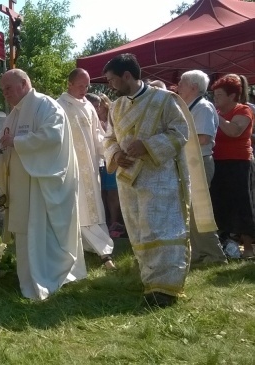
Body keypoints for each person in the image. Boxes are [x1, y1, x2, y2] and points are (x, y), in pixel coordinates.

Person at [102, 53, 214, 307]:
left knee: (162, 230)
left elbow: (180, 132)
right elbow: (108, 139)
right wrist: (116, 154)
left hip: (159, 178)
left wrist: (148, 146)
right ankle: (149, 279)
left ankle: (166, 289)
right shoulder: (116, 107)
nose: (110, 85)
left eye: (112, 80)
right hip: (128, 179)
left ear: (127, 76)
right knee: (139, 231)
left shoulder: (165, 100)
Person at [0, 69, 86, 300]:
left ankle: (50, 274)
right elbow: (1, 142)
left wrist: (17, 142)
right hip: (21, 185)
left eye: (8, 88)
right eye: (2, 89)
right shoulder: (14, 114)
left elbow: (53, 138)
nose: (4, 93)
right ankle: (27, 276)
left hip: (41, 184)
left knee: (41, 229)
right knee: (25, 231)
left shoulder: (47, 106)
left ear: (24, 84)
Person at [57, 68, 115, 270]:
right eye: (80, 85)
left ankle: (96, 248)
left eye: (87, 85)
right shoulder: (59, 107)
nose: (85, 89)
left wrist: (111, 151)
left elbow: (98, 136)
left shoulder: (89, 106)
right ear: (69, 84)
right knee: (79, 208)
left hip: (89, 168)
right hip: (70, 169)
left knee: (93, 207)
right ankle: (103, 252)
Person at [177, 70, 227, 265]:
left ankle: (215, 255)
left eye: (181, 83)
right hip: (190, 162)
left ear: (193, 87)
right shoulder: (189, 106)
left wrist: (174, 142)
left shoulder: (203, 107)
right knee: (191, 211)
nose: (178, 86)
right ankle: (199, 253)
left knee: (200, 210)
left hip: (199, 162)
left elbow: (204, 137)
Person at [209, 74, 255, 259]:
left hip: (239, 163)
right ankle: (226, 245)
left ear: (232, 96)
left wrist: (215, 116)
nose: (215, 99)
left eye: (219, 95)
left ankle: (249, 248)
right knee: (221, 204)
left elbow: (234, 131)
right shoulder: (217, 113)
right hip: (218, 163)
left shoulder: (243, 110)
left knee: (242, 204)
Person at [85, 93, 125, 237]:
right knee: (102, 194)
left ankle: (114, 223)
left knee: (113, 193)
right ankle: (105, 222)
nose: (97, 109)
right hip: (97, 163)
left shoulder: (110, 119)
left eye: (98, 106)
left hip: (109, 160)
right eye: (95, 106)